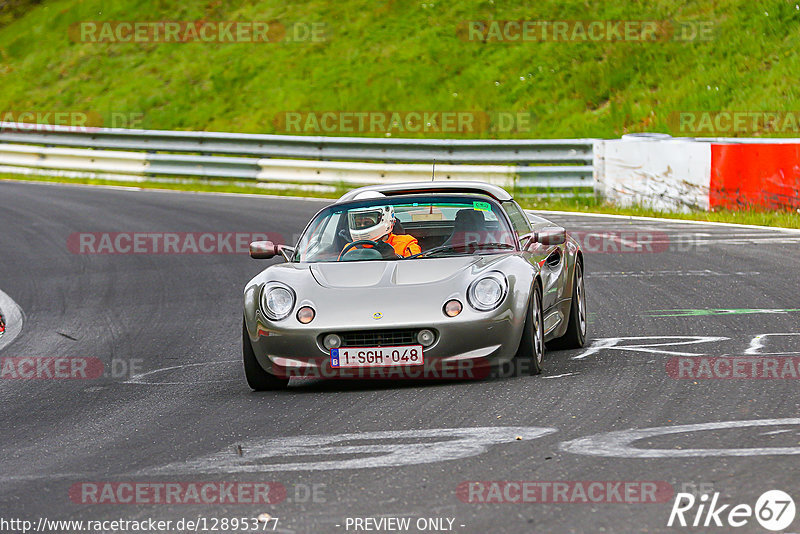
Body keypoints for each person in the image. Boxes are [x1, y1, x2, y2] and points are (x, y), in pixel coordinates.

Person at [344, 192, 421, 258]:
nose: (362, 226)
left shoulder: (405, 243)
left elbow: (416, 269)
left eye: (367, 222)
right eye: (358, 224)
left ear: (386, 217)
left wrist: (394, 257)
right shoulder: (350, 248)